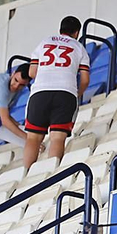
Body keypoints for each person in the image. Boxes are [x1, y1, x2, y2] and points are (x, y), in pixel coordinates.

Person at [23, 16, 90, 170]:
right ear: (77, 32)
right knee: (57, 138)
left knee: (33, 138)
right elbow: (85, 79)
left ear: (60, 29)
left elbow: (32, 72)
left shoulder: (44, 42)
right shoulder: (79, 47)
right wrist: (78, 93)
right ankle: (51, 174)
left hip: (40, 92)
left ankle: (26, 174)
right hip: (66, 92)